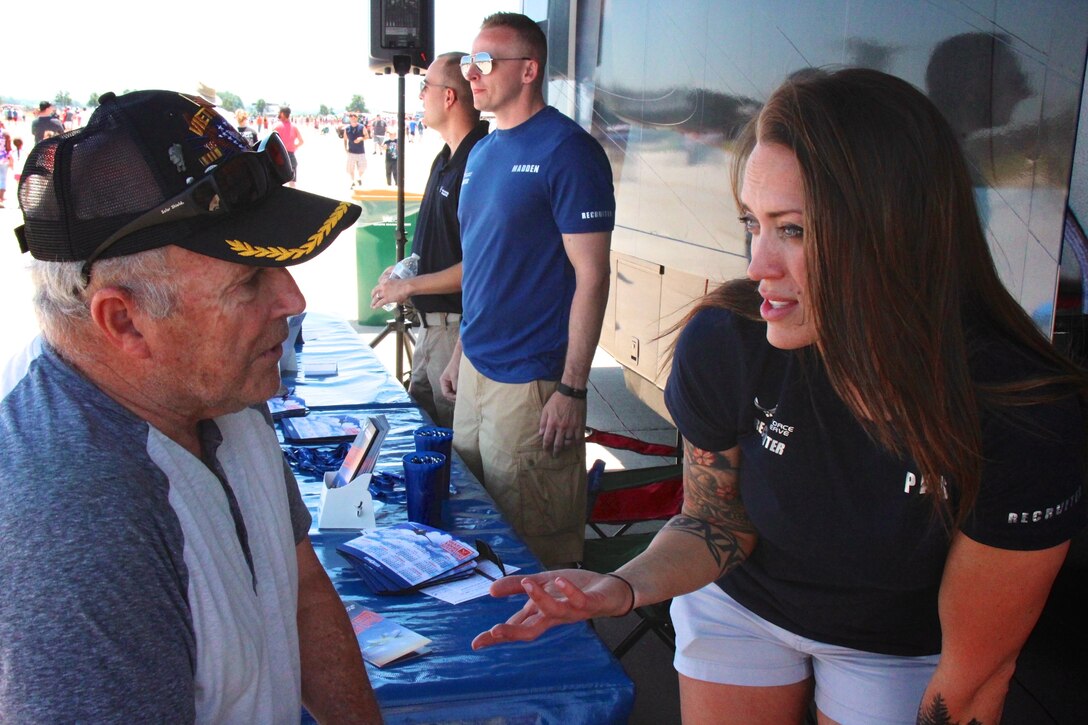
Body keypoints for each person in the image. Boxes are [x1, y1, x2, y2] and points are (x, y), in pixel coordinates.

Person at [470, 68, 1088, 724]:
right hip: (744, 605)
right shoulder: (729, 339)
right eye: (752, 224)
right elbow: (716, 522)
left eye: (791, 229)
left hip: (895, 645)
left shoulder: (1021, 415)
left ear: (896, 228)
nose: (758, 263)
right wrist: (621, 586)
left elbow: (973, 677)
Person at [0, 90, 382, 723]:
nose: (293, 300)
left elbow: (300, 589)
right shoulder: (77, 522)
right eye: (249, 279)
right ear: (124, 320)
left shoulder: (219, 386)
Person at [439, 12, 614, 567]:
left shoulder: (568, 150)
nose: (472, 74)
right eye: (469, 62)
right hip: (477, 374)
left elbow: (592, 274)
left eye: (486, 62)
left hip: (532, 385)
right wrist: (462, 350)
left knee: (534, 545)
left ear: (529, 69)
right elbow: (486, 262)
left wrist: (572, 388)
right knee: (472, 527)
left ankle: (550, 652)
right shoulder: (484, 152)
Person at [368, 51, 489, 428]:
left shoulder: (480, 160)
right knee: (421, 434)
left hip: (456, 332)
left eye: (426, 87)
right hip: (430, 329)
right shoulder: (444, 159)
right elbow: (440, 242)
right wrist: (402, 272)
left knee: (453, 450)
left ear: (449, 97)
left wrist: (409, 287)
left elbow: (482, 267)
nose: (420, 96)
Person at [275, 105, 304, 187]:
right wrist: (294, 146)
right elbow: (301, 141)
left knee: (278, 181)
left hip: (279, 156)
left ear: (282, 114)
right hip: (291, 155)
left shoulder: (276, 126)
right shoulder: (294, 127)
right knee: (292, 182)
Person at [344, 112, 369, 188]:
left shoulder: (361, 127)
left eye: (355, 116)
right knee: (350, 169)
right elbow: (345, 139)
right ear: (349, 118)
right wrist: (345, 148)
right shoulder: (347, 128)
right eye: (351, 116)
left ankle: (358, 178)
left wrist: (361, 138)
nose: (353, 117)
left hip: (361, 152)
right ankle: (352, 181)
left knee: (363, 168)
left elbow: (367, 136)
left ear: (357, 118)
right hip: (351, 152)